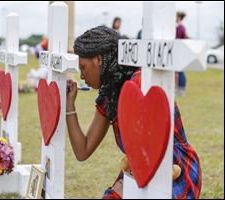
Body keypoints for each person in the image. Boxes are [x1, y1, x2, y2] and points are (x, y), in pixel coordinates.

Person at [66, 26, 201, 199]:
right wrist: (70, 105)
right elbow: (82, 151)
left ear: (98, 59)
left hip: (175, 167)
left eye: (83, 67)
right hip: (139, 168)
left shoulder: (142, 80)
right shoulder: (110, 95)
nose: (82, 76)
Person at [176, 11, 189, 96]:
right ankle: (180, 89)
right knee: (179, 71)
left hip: (179, 51)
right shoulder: (181, 27)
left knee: (180, 72)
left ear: (179, 17)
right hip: (179, 51)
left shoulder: (180, 28)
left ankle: (181, 89)